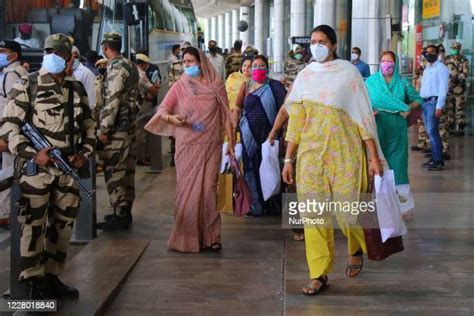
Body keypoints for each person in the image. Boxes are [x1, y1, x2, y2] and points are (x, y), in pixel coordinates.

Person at [281, 25, 384, 296]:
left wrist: (373, 158)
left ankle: (355, 247)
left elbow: (363, 118)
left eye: (322, 41)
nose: (317, 46)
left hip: (346, 153)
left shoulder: (349, 74)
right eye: (313, 41)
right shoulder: (305, 76)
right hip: (311, 156)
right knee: (314, 214)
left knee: (348, 212)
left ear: (334, 45)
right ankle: (318, 273)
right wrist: (288, 158)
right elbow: (297, 122)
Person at [1, 33, 96, 299]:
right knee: (34, 224)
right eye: (48, 51)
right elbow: (10, 126)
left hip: (68, 168)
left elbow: (89, 124)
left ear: (68, 58)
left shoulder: (75, 87)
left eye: (58, 53)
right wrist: (32, 154)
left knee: (63, 224)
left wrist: (85, 153)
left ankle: (53, 276)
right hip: (37, 169)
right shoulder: (26, 84)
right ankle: (33, 281)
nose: (52, 56)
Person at [145, 47, 234, 252]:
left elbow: (226, 115)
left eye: (191, 61)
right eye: (185, 62)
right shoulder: (180, 85)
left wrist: (231, 144)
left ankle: (211, 236)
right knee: (188, 191)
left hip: (211, 144)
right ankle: (187, 237)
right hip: (187, 145)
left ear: (201, 62)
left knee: (209, 190)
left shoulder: (216, 85)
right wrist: (170, 118)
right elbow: (163, 110)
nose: (188, 65)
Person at [365, 51, 422, 213]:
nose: (386, 64)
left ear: (395, 64)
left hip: (397, 129)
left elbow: (418, 99)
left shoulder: (403, 83)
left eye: (389, 61)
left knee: (398, 165)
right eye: (383, 61)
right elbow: (363, 102)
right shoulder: (371, 82)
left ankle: (402, 205)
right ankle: (379, 204)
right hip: (378, 128)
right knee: (378, 163)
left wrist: (409, 108)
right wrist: (370, 112)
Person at [232, 55, 287, 216]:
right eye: (254, 66)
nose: (257, 69)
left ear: (267, 68)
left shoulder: (275, 86)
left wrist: (280, 133)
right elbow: (236, 108)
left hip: (270, 136)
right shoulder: (246, 85)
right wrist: (234, 128)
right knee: (251, 169)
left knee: (271, 168)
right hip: (248, 136)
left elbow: (285, 110)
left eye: (261, 66)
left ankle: (273, 205)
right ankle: (256, 205)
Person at [96, 32, 139, 230]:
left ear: (105, 47)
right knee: (127, 169)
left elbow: (112, 101)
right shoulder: (130, 64)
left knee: (116, 170)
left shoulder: (115, 69)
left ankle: (120, 214)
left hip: (117, 129)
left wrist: (104, 128)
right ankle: (124, 211)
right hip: (129, 126)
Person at [0, 40, 28, 228]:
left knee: (9, 171)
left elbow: (13, 107)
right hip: (15, 129)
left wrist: (5, 135)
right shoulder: (22, 72)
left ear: (13, 55)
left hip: (9, 129)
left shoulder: (11, 74)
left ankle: (5, 214)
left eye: (3, 51)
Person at [419, 45, 450, 171]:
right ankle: (434, 157)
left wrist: (439, 106)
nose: (429, 53)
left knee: (433, 132)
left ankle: (438, 161)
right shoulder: (426, 69)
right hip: (425, 103)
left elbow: (443, 88)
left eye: (432, 52)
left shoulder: (441, 68)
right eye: (427, 52)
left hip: (434, 103)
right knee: (430, 133)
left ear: (437, 54)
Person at [135, 53, 160, 166]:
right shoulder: (140, 74)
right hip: (142, 105)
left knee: (143, 131)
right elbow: (154, 91)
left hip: (139, 105)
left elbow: (157, 86)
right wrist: (153, 90)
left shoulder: (153, 69)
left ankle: (144, 155)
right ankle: (141, 157)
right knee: (142, 132)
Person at [445, 41, 469, 135]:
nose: (453, 50)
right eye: (452, 48)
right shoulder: (448, 59)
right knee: (450, 108)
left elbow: (466, 73)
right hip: (449, 87)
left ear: (458, 49)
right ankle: (450, 126)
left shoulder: (464, 60)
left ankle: (460, 129)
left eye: (455, 49)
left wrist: (457, 76)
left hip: (459, 88)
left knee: (460, 108)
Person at [71, 46, 96, 110]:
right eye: (70, 57)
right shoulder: (61, 72)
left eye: (75, 57)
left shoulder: (87, 74)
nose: (73, 59)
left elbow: (92, 100)